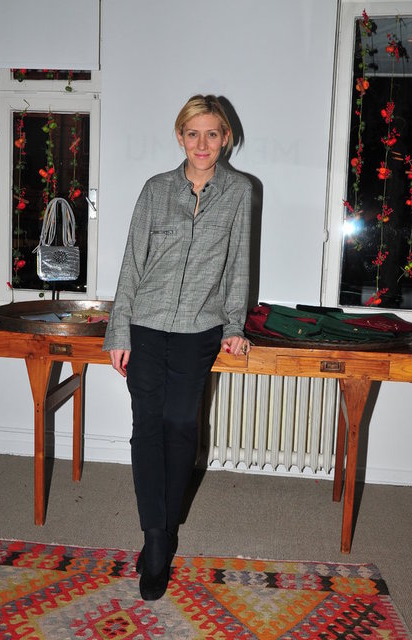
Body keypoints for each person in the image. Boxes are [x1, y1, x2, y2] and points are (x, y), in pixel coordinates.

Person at [103, 94, 252, 601]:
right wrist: (119, 331)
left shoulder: (239, 192)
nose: (202, 143)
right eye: (193, 133)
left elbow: (238, 265)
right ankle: (156, 539)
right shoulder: (155, 189)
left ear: (225, 138)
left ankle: (163, 532)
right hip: (145, 324)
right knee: (146, 428)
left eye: (211, 133)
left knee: (181, 426)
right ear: (180, 137)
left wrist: (233, 325)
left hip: (198, 329)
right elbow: (132, 264)